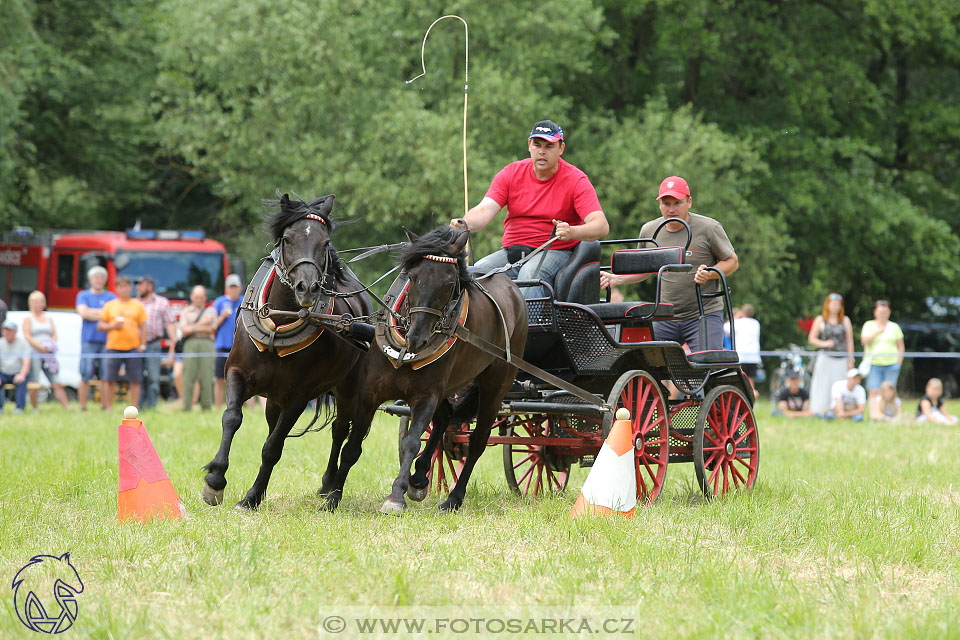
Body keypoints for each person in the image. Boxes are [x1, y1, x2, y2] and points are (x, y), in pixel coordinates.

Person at [449, 119, 609, 299]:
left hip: (555, 251)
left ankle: (529, 327)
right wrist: (465, 223)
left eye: (549, 146)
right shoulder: (511, 173)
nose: (542, 151)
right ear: (529, 145)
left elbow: (601, 226)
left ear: (561, 148)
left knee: (529, 275)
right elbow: (485, 209)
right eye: (537, 144)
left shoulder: (576, 180)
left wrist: (572, 231)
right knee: (474, 273)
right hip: (512, 253)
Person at [600, 176, 739, 353]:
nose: (671, 209)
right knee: (645, 361)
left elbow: (732, 261)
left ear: (689, 202)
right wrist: (616, 279)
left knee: (707, 368)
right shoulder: (649, 230)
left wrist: (710, 273)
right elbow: (645, 269)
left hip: (703, 314)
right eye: (666, 203)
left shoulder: (709, 228)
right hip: (665, 315)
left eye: (677, 203)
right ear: (659, 205)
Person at [98, 276, 147, 409]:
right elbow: (101, 325)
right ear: (117, 288)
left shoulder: (138, 305)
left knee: (135, 380)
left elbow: (143, 327)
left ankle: (134, 407)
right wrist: (112, 326)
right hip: (113, 347)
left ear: (130, 288)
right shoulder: (110, 305)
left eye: (126, 286)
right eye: (121, 286)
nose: (124, 289)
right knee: (109, 379)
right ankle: (108, 408)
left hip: (133, 347)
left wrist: (142, 345)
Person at [21, 290, 71, 410]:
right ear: (31, 303)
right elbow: (27, 336)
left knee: (56, 381)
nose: (39, 304)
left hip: (49, 354)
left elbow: (54, 334)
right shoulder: (28, 319)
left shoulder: (49, 318)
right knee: (34, 382)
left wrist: (50, 345)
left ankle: (68, 408)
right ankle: (35, 408)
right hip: (34, 354)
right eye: (37, 301)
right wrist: (40, 347)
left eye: (41, 301)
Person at [806, 292, 854, 416]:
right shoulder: (820, 320)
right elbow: (812, 338)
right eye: (833, 304)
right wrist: (825, 344)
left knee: (839, 386)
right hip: (825, 358)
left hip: (841, 358)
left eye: (838, 304)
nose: (836, 307)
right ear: (828, 305)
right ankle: (819, 411)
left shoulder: (845, 320)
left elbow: (849, 341)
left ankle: (838, 411)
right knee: (822, 386)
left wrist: (851, 359)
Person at [76, 265, 116, 410]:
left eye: (101, 278)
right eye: (96, 278)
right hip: (88, 340)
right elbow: (83, 313)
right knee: (85, 373)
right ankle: (83, 406)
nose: (99, 280)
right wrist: (103, 313)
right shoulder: (83, 295)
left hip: (107, 341)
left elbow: (112, 315)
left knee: (106, 375)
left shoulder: (111, 297)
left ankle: (106, 406)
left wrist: (92, 312)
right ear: (90, 280)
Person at [136, 275, 177, 409]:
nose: (138, 288)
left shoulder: (162, 302)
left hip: (153, 344)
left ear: (150, 287)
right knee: (137, 377)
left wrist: (172, 346)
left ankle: (152, 407)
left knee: (154, 377)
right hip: (135, 345)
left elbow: (170, 323)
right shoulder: (134, 303)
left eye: (141, 285)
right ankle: (139, 406)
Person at [860, 299, 905, 416]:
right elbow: (864, 341)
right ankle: (874, 415)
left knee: (889, 391)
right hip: (874, 364)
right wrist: (877, 331)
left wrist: (899, 363)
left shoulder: (894, 327)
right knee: (873, 391)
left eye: (885, 311)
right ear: (875, 312)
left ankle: (889, 415)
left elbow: (901, 346)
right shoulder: (869, 325)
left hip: (891, 364)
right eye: (880, 311)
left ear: (889, 312)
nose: (883, 314)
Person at [178, 285, 216, 411]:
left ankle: (207, 406)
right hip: (190, 344)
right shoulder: (185, 311)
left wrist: (192, 328)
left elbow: (211, 328)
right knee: (188, 376)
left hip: (206, 343)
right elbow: (184, 331)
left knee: (207, 376)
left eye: (201, 297)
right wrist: (201, 324)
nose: (199, 299)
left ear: (205, 298)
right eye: (196, 296)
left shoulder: (211, 311)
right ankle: (186, 407)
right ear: (192, 297)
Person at [213, 274, 244, 408]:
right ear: (227, 289)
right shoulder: (219, 302)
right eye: (231, 287)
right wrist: (222, 316)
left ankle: (250, 408)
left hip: (241, 346)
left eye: (235, 287)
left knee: (245, 378)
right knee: (220, 378)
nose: (233, 290)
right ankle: (218, 407)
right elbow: (213, 325)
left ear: (240, 288)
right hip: (222, 346)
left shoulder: (245, 301)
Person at [0, 320, 31, 414]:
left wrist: (22, 374)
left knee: (22, 381)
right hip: (3, 372)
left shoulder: (23, 344)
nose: (6, 332)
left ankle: (20, 408)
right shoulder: (0, 343)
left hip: (17, 372)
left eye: (9, 330)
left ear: (15, 332)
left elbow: (26, 362)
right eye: (5, 330)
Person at [726, 304, 761, 381]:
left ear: (742, 312)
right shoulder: (756, 323)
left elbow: (725, 327)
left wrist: (736, 317)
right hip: (754, 357)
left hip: (741, 357)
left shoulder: (739, 322)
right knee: (751, 383)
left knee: (740, 381)